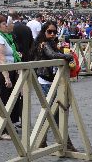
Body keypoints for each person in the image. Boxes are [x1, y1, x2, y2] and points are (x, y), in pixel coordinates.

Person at [31, 20, 76, 151]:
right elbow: (52, 55)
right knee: (54, 112)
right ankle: (65, 143)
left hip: (52, 80)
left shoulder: (51, 43)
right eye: (49, 32)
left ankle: (42, 141)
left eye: (54, 32)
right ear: (43, 32)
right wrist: (67, 56)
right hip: (45, 81)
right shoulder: (43, 44)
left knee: (51, 112)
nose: (52, 34)